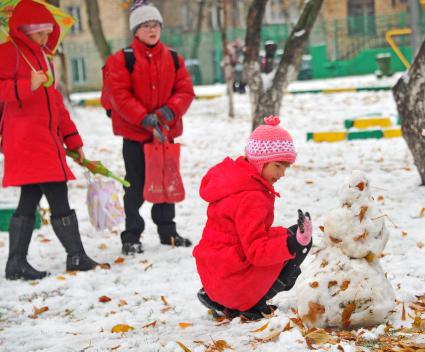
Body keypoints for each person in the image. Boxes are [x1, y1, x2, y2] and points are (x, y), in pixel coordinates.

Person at [0, 0, 103, 280]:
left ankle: (16, 263)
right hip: (25, 139)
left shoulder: (44, 58)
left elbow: (55, 103)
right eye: (39, 33)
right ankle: (75, 255)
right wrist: (26, 85)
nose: (46, 38)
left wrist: (73, 140)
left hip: (46, 140)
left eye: (48, 32)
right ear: (24, 30)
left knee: (31, 196)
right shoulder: (9, 53)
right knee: (56, 192)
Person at [193, 116, 313, 320]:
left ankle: (225, 298)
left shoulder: (236, 181)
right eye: (278, 166)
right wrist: (292, 243)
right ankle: (252, 303)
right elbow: (257, 251)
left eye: (286, 167)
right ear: (261, 161)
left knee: (289, 234)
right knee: (299, 243)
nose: (282, 173)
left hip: (215, 279)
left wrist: (286, 235)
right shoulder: (252, 196)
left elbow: (246, 236)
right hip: (233, 286)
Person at [106, 0, 195, 255]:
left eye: (155, 24)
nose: (152, 29)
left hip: (164, 134)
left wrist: (170, 111)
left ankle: (168, 232)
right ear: (135, 30)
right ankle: (131, 235)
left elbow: (185, 90)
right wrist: (143, 117)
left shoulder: (174, 58)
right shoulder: (123, 59)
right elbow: (119, 95)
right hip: (136, 135)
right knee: (135, 185)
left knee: (166, 183)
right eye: (145, 25)